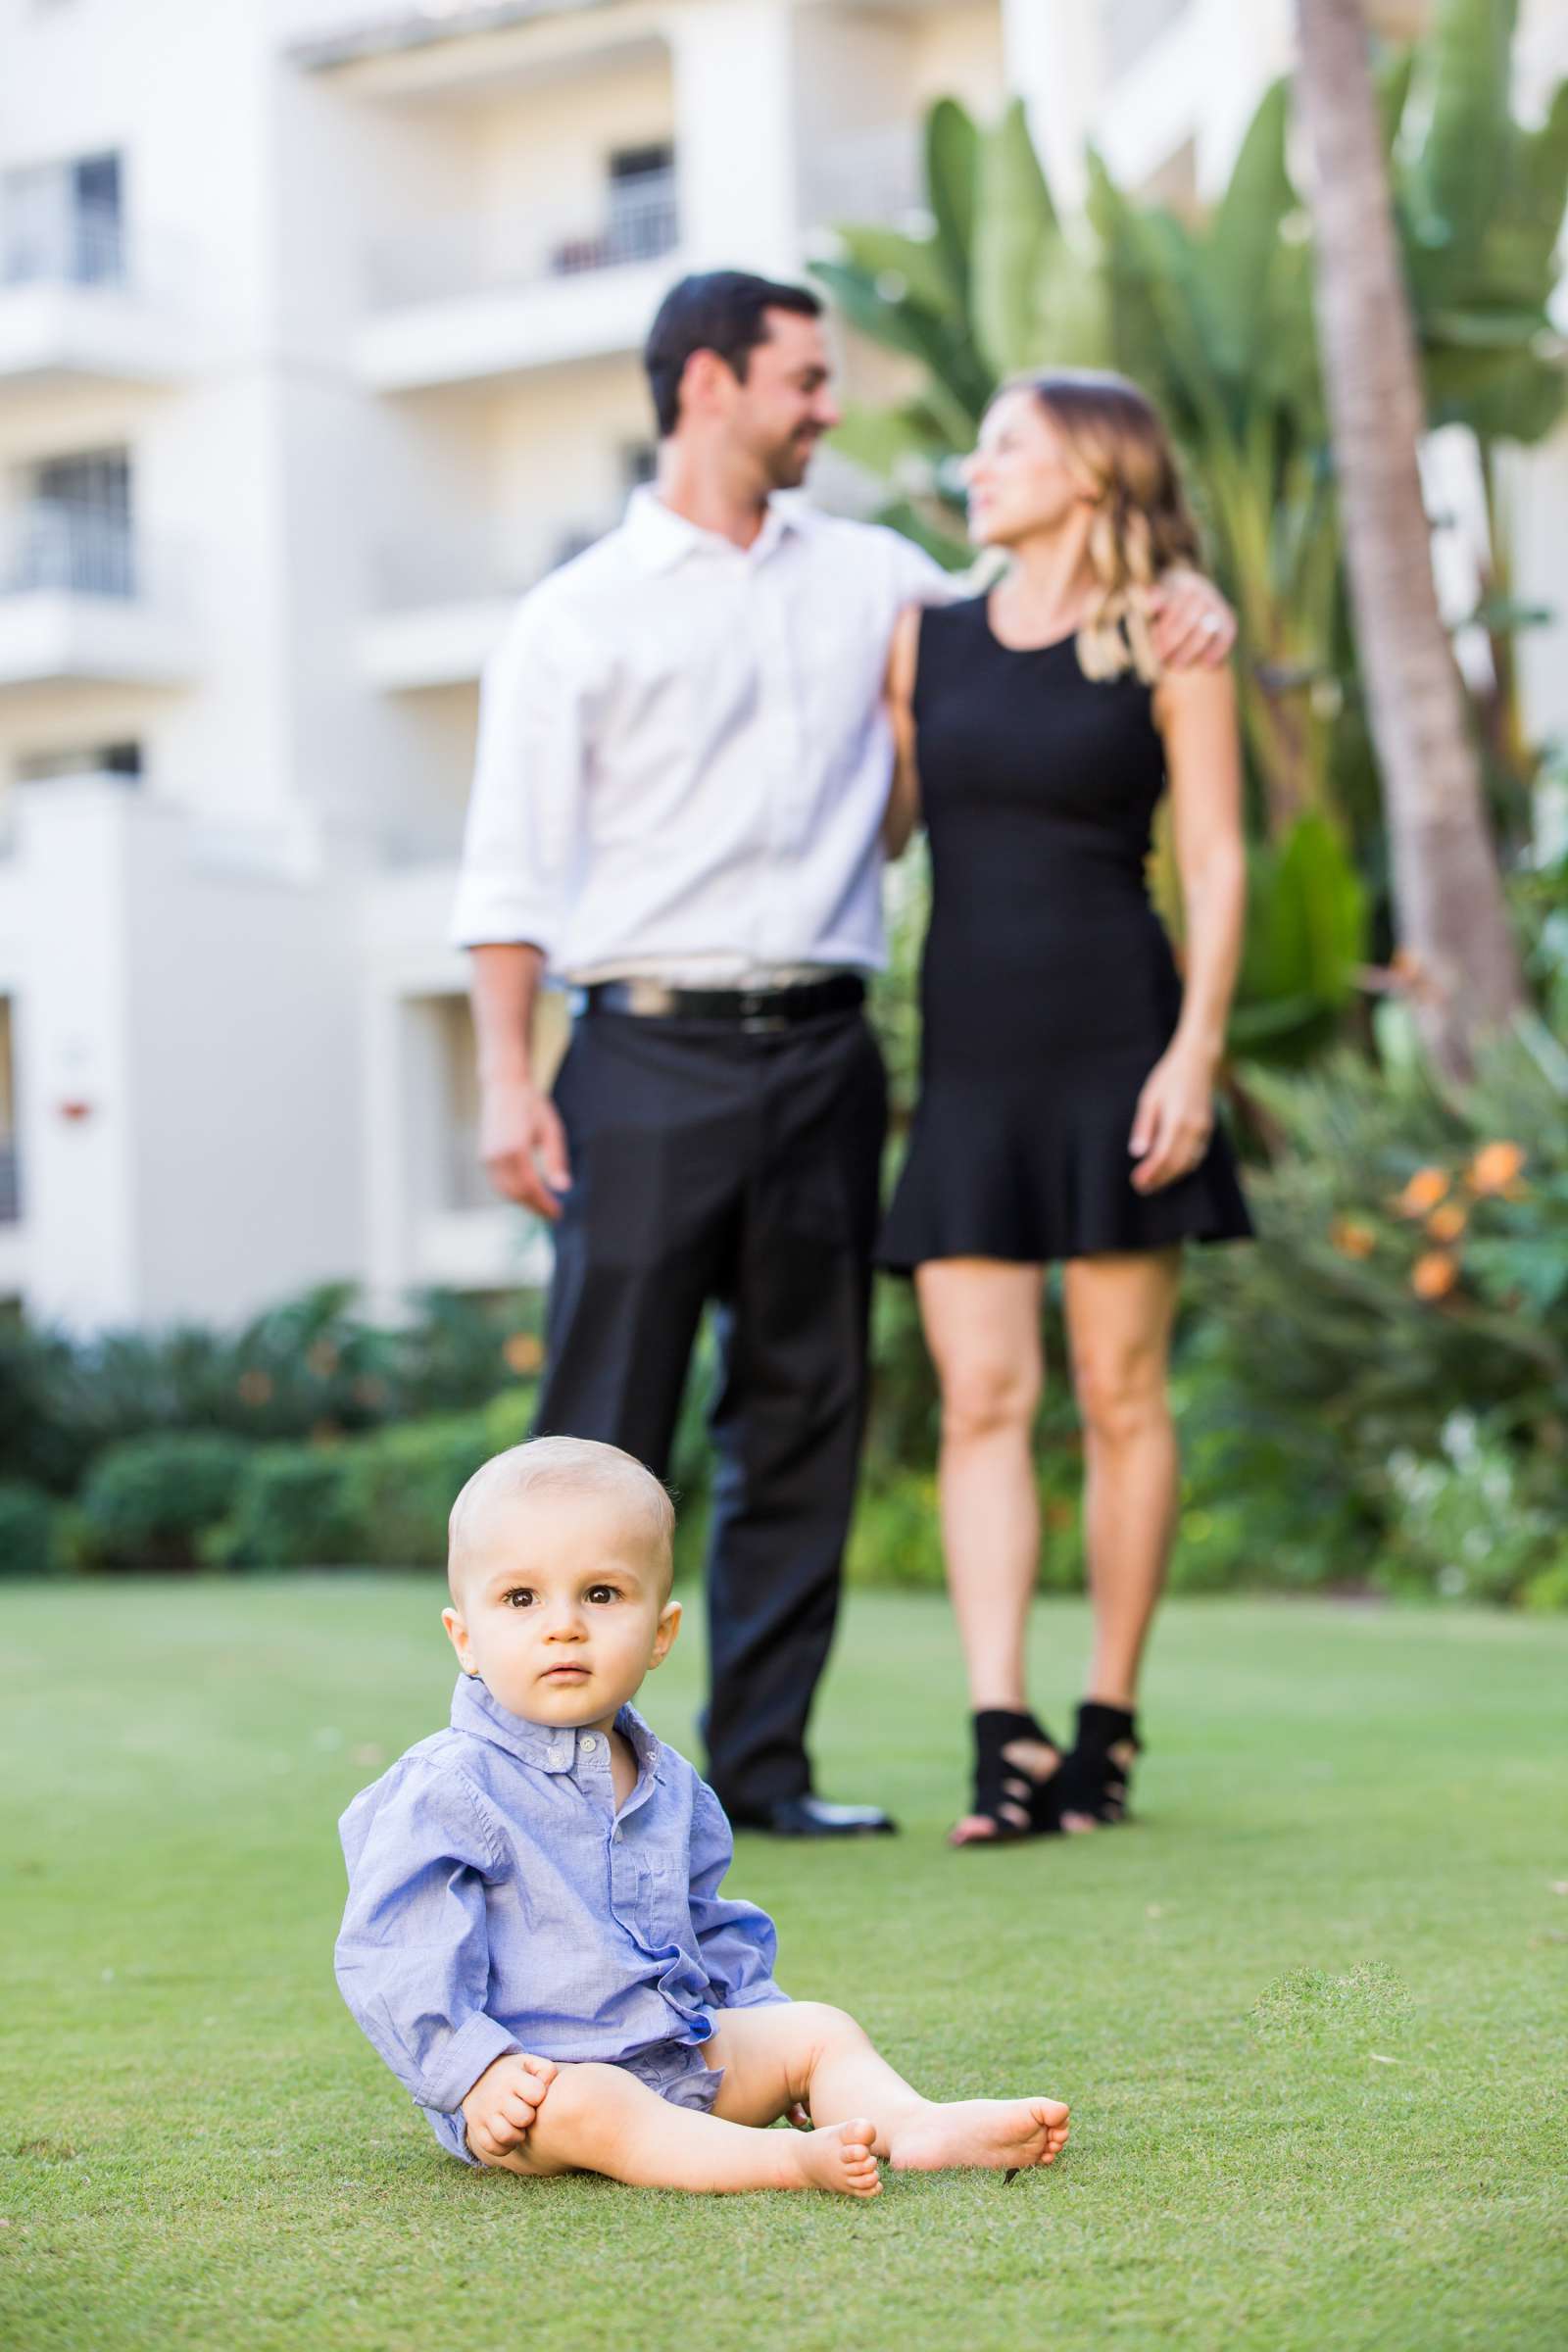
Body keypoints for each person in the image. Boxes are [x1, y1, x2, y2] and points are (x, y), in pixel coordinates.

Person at [451, 269, 1234, 1838]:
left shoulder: (882, 579)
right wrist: (504, 1075)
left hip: (826, 1052)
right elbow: (508, 870)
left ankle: (768, 1772)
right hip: (643, 1049)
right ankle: (534, 1781)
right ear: (709, 389)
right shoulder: (578, 611)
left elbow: (1041, 632)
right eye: (804, 381)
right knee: (601, 1425)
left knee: (805, 1418)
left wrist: (1180, 594)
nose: (831, 408)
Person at [334, 1436, 1073, 2194]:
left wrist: (764, 2036)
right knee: (599, 2102)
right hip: (532, 2093)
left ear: (660, 1632)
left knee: (817, 2030)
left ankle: (910, 2122)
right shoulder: (450, 1786)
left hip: (678, 2052)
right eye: (521, 1599)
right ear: (466, 1639)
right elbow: (397, 1954)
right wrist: (474, 2073)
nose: (564, 1625)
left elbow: (707, 1924)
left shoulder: (670, 1781)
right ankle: (781, 2165)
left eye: (601, 1594)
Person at [877, 370, 1252, 1847]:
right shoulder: (927, 638)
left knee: (1118, 1393)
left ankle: (1104, 1723)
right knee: (979, 1397)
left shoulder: (1173, 633)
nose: (978, 466)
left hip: (1119, 1038)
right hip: (970, 1053)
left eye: (1008, 444)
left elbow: (1216, 862)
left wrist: (1197, 1053)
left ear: (1095, 471)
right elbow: (888, 820)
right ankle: (1000, 1734)